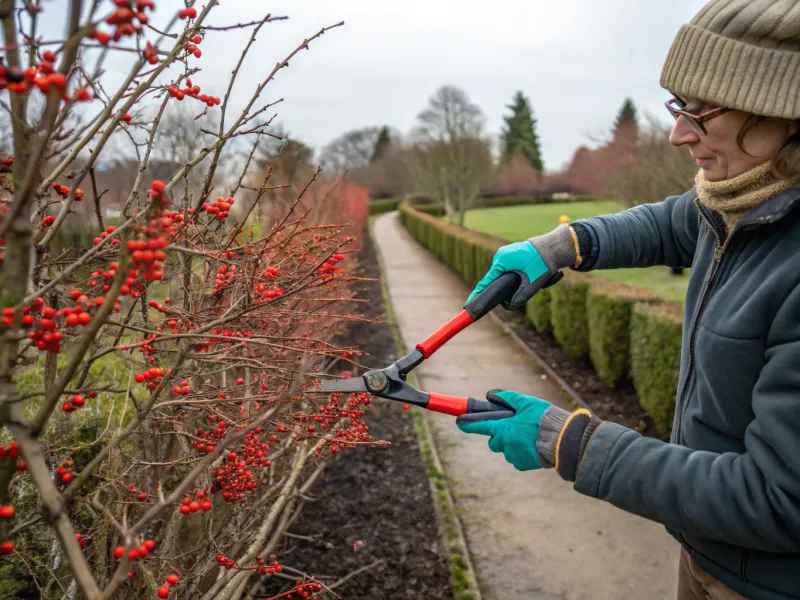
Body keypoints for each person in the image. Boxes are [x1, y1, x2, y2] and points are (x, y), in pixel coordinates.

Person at [455, 1, 800, 599]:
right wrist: (563, 245)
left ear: (783, 109)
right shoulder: (754, 194)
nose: (677, 133)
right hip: (713, 553)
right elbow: (679, 221)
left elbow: (777, 500)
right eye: (677, 106)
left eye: (700, 111)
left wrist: (574, 444)